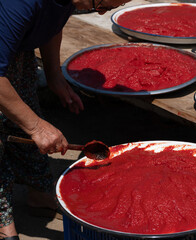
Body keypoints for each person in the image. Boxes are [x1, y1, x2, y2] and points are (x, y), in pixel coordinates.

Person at [0, 0, 130, 239]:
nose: (100, 12)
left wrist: (53, 73)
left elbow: (52, 23)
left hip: (17, 54)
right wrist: (37, 128)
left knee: (26, 110)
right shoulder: (20, 2)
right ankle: (3, 222)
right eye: (101, 4)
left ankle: (39, 194)